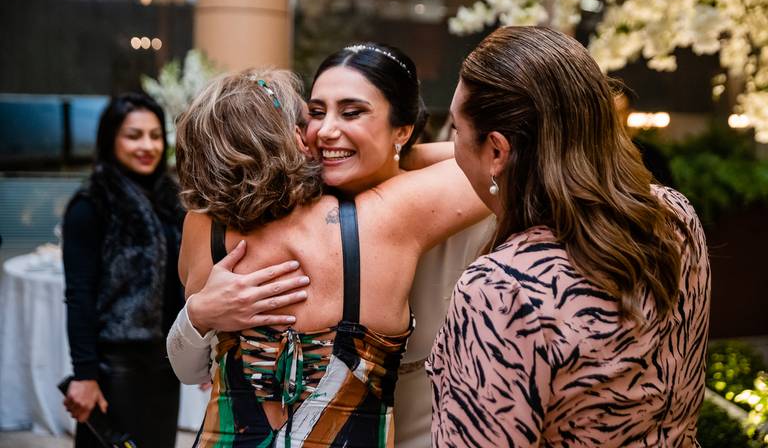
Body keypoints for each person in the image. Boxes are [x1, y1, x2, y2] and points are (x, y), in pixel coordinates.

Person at [166, 44, 491, 447]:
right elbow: (498, 161)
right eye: (314, 116)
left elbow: (190, 371)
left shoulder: (204, 228)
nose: (323, 132)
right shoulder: (389, 217)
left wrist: (197, 315)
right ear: (296, 139)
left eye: (351, 113)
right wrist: (392, 151)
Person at [427, 26, 711, 446]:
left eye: (455, 128)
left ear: (498, 151)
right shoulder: (675, 218)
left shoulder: (501, 290)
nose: (453, 142)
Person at [62, 93, 185, 447]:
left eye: (155, 135)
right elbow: (79, 296)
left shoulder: (170, 200)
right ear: (110, 139)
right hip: (115, 368)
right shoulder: (91, 204)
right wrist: (84, 374)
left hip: (164, 364)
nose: (148, 146)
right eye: (134, 136)